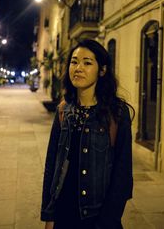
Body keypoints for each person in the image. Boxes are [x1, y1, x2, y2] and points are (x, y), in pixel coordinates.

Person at [41, 39, 134, 229]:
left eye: (87, 62)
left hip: (98, 218)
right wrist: (49, 215)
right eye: (74, 62)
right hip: (64, 215)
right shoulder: (63, 110)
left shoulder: (116, 113)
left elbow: (122, 176)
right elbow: (52, 166)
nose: (78, 68)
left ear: (102, 70)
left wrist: (108, 221)